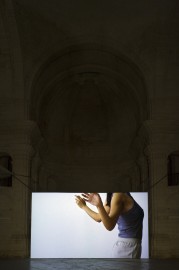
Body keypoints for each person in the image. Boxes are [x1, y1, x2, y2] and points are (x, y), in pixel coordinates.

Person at [75, 192, 144, 258]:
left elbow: (99, 218)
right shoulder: (118, 195)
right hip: (127, 248)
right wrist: (86, 206)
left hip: (130, 246)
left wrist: (97, 206)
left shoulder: (120, 194)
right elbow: (109, 225)